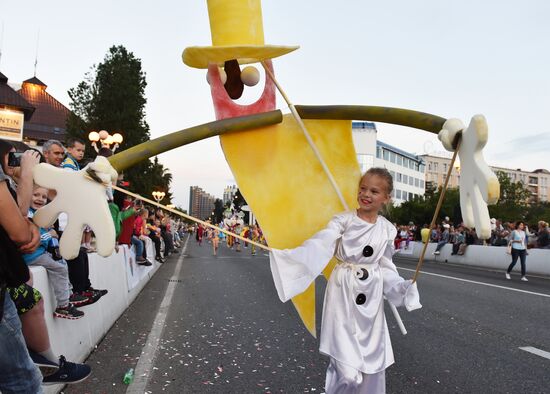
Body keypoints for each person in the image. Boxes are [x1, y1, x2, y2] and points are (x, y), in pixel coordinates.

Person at [269, 167, 421, 393]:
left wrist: (402, 287)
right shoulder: (343, 221)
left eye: (374, 191)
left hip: (371, 303)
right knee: (348, 374)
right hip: (343, 294)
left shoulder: (387, 230)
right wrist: (293, 256)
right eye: (363, 188)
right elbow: (321, 243)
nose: (366, 194)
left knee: (372, 367)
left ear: (386, 198)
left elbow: (386, 269)